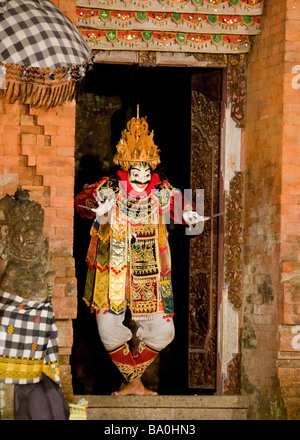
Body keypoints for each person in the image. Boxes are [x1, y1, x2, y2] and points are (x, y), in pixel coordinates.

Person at [74, 108, 201, 395]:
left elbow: (181, 208)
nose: (142, 178)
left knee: (164, 331)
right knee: (107, 328)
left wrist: (189, 215)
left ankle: (132, 380)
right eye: (136, 172)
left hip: (150, 273)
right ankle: (134, 382)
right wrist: (96, 206)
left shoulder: (162, 191)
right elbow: (82, 203)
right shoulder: (109, 188)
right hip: (112, 268)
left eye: (147, 172)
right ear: (125, 170)